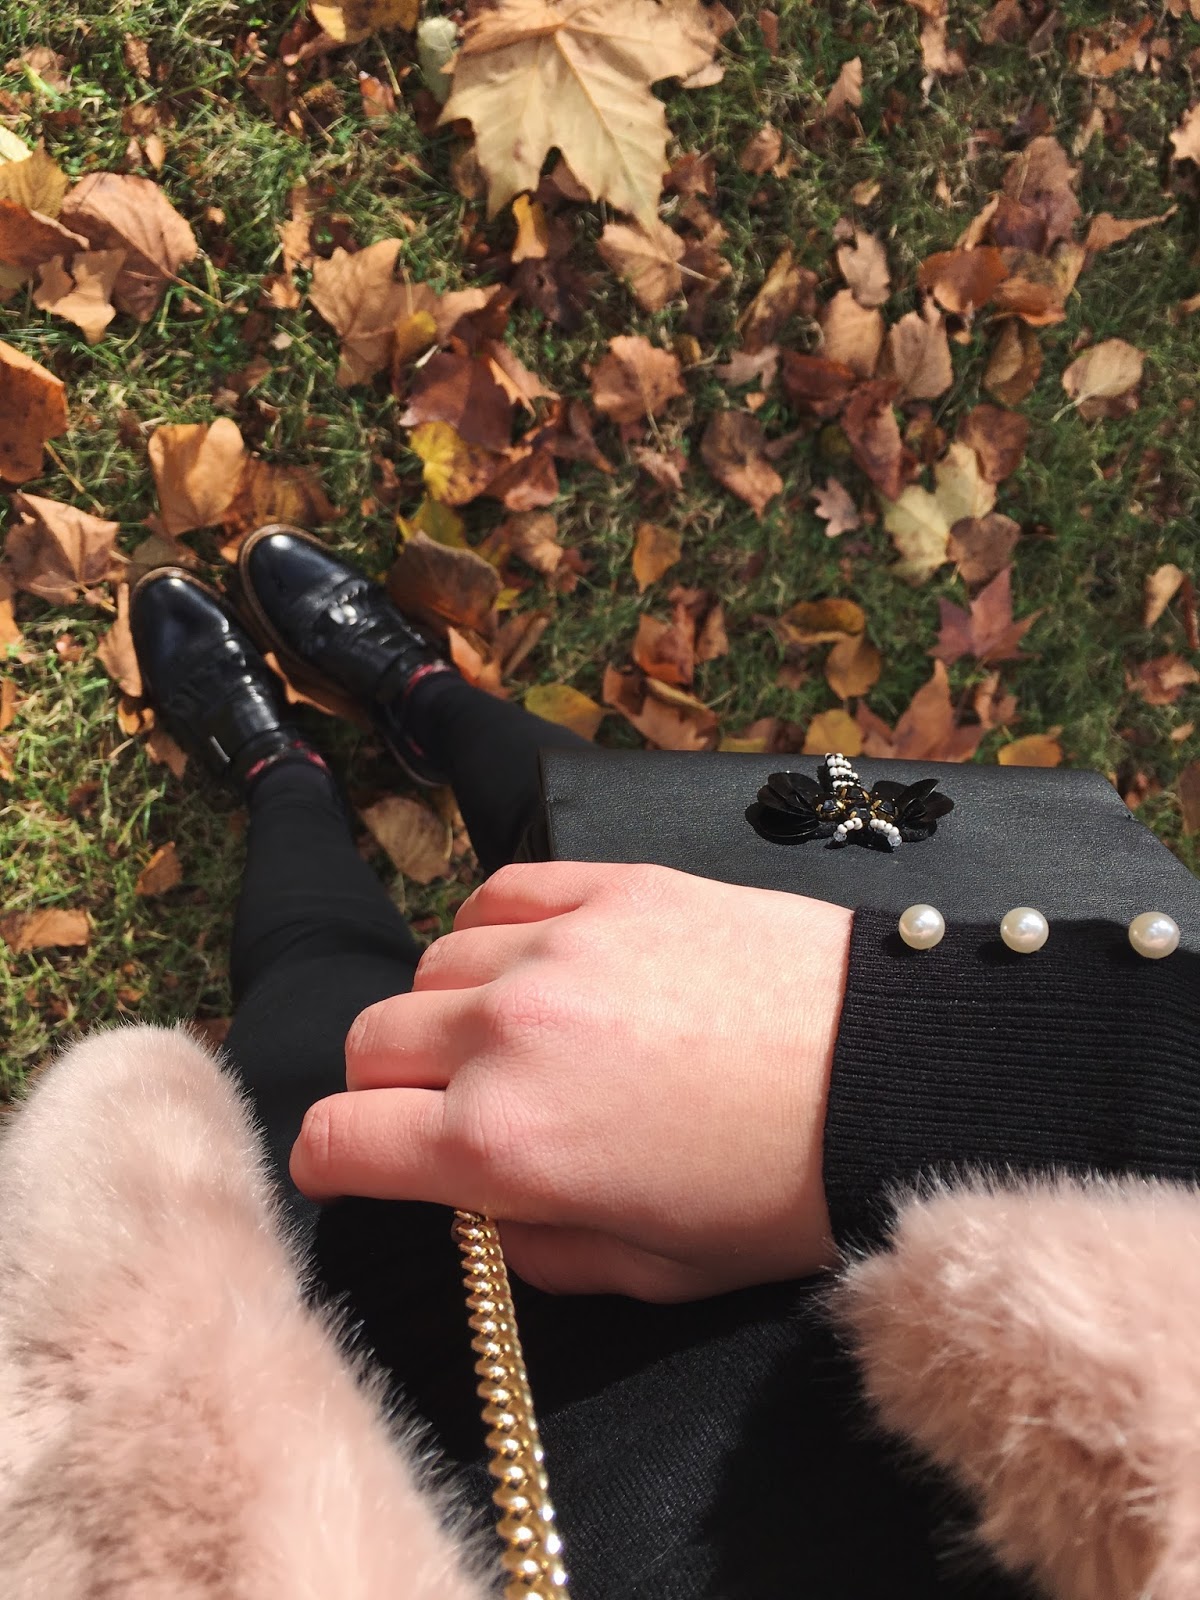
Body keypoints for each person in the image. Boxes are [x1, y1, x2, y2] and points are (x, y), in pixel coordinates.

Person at [6, 521, 1198, 1600]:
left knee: (320, 1020)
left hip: (415, 1448)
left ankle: (281, 777)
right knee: (578, 815)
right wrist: (908, 1064)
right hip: (995, 1153)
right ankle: (424, 697)